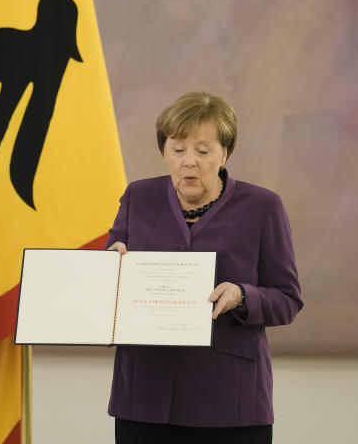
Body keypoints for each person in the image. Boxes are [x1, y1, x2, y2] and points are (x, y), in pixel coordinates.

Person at [106, 91, 303, 444]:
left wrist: (243, 296)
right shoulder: (138, 196)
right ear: (164, 151)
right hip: (144, 396)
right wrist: (111, 268)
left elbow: (288, 299)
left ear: (224, 153)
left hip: (230, 400)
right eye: (178, 149)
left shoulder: (263, 207)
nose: (188, 162)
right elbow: (112, 279)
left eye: (202, 150)